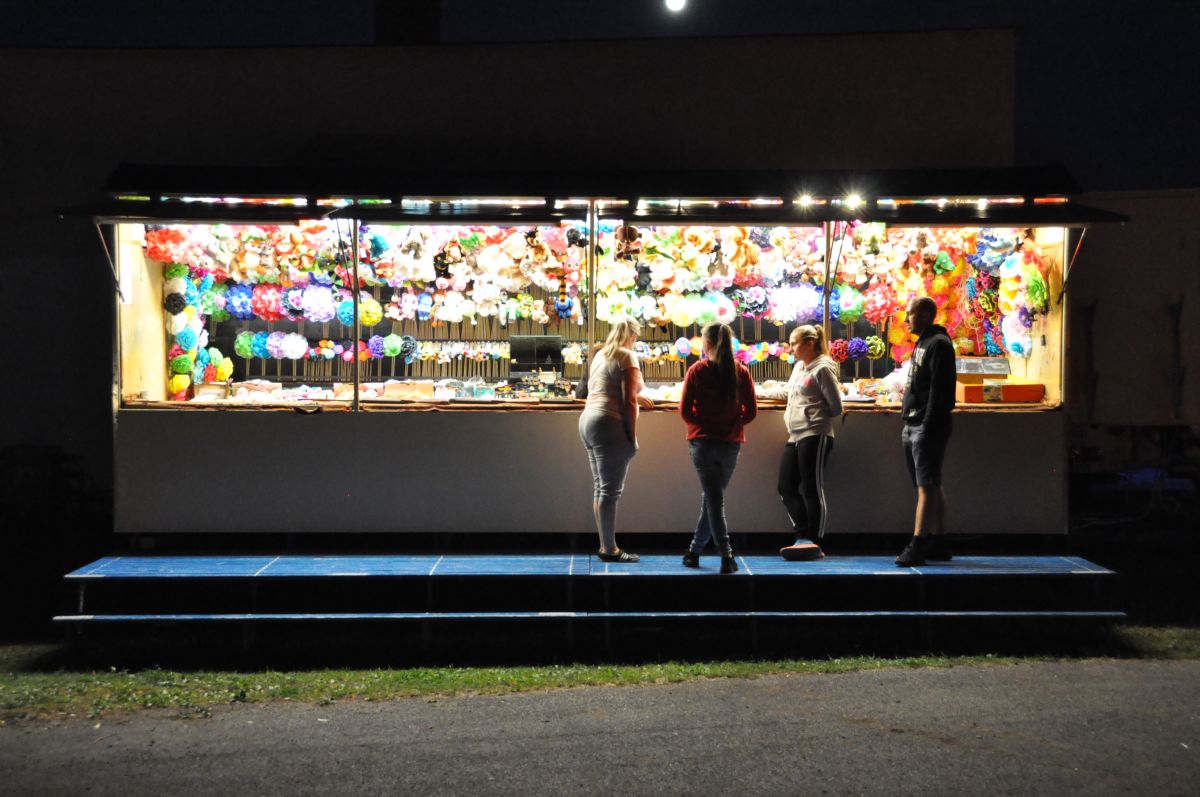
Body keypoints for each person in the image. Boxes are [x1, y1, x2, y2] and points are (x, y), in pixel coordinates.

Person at [679, 323, 758, 573]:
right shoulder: (740, 372)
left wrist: (702, 423)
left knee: (713, 500)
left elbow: (684, 410)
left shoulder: (697, 370)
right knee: (713, 498)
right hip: (730, 443)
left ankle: (726, 555)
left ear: (707, 343)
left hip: (702, 442)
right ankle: (694, 551)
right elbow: (751, 411)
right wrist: (732, 423)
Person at [579, 318, 653, 562]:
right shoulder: (627, 356)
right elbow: (628, 400)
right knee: (610, 492)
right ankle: (610, 550)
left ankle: (605, 545)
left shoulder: (601, 355)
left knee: (601, 488)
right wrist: (631, 436)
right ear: (633, 336)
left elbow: (605, 388)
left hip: (588, 421)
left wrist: (636, 398)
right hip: (608, 424)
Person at [895, 296, 956, 566]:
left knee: (926, 485)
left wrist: (928, 424)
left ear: (925, 315)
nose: (905, 319)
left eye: (910, 313)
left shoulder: (939, 344)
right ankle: (939, 542)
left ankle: (918, 545)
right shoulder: (923, 342)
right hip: (914, 422)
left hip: (925, 425)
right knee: (931, 482)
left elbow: (940, 391)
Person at [777, 324, 843, 561]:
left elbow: (836, 407)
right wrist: (757, 392)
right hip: (795, 435)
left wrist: (811, 414)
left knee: (812, 489)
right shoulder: (798, 367)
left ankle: (816, 541)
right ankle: (803, 536)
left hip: (816, 433)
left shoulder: (823, 369)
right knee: (785, 486)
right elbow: (787, 394)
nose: (791, 348)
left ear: (809, 343)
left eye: (794, 343)